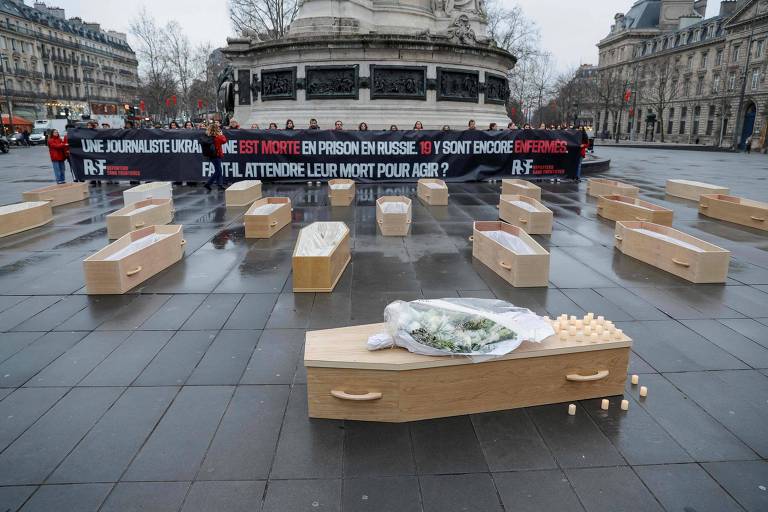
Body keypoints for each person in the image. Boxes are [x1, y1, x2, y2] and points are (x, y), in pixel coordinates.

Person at [202, 123, 227, 191]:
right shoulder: (217, 137)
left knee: (219, 170)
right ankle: (208, 183)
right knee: (218, 171)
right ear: (216, 129)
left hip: (211, 155)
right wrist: (221, 134)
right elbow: (224, 141)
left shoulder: (207, 136)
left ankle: (220, 185)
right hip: (216, 155)